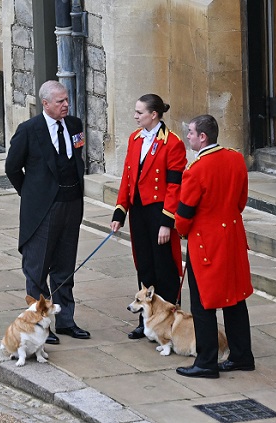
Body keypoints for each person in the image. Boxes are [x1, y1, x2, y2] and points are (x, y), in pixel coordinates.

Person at [5, 80, 90, 345]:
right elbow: (12, 168)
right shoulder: (29, 130)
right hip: (42, 210)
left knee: (64, 267)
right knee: (38, 268)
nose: (65, 105)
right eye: (60, 101)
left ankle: (65, 320)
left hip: (71, 204)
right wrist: (31, 196)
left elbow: (77, 158)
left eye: (66, 100)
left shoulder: (75, 125)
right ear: (45, 104)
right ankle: (41, 324)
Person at [174, 114, 255, 378]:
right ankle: (242, 355)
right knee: (235, 300)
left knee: (203, 305)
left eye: (191, 132)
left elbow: (183, 217)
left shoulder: (196, 170)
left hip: (206, 245)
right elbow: (241, 201)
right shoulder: (235, 158)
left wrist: (183, 231)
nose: (188, 136)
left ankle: (206, 362)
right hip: (232, 239)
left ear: (203, 137)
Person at [110, 94, 187, 339]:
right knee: (144, 265)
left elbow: (175, 186)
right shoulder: (135, 139)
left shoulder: (172, 142)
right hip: (139, 212)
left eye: (139, 112)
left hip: (159, 211)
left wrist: (167, 223)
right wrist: (120, 210)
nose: (135, 116)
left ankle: (171, 320)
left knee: (163, 267)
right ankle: (147, 320)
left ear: (153, 114)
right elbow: (128, 177)